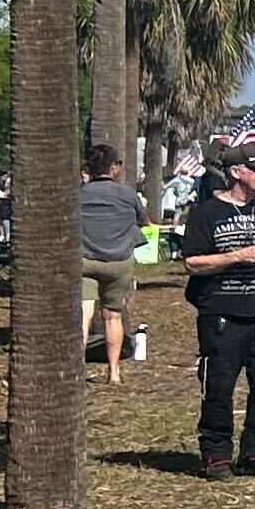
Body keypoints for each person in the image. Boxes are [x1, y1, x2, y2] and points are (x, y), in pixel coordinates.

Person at [177, 147, 255, 477]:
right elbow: (192, 262)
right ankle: (216, 456)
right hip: (222, 315)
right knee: (219, 387)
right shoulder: (207, 213)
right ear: (235, 172)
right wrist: (237, 256)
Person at [75, 143, 145, 386]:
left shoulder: (79, 194)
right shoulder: (127, 194)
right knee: (112, 316)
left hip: (85, 260)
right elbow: (143, 221)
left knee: (83, 315)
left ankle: (77, 372)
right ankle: (114, 372)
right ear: (114, 168)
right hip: (119, 262)